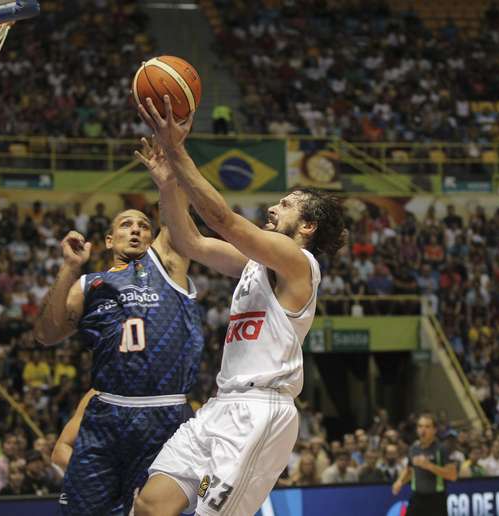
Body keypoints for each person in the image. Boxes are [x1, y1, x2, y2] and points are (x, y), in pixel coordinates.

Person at [133, 95, 346, 516]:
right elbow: (188, 241)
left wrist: (177, 150)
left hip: (259, 413)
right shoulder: (255, 263)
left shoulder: (300, 264)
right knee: (149, 507)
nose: (272, 206)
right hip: (220, 406)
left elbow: (224, 222)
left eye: (285, 205)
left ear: (306, 227)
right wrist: (168, 183)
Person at [33, 191, 204, 515]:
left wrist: (166, 175)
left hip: (164, 413)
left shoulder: (168, 266)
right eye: (126, 225)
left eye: (144, 225)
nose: (137, 230)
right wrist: (70, 268)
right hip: (108, 410)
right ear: (110, 240)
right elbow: (45, 334)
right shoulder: (89, 284)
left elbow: (175, 215)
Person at [392, 413, 457, 516]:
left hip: (436, 500)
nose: (423, 430)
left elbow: (453, 475)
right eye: (420, 426)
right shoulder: (414, 448)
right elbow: (410, 470)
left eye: (427, 426)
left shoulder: (442, 449)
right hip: (417, 498)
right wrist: (400, 482)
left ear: (434, 430)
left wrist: (429, 466)